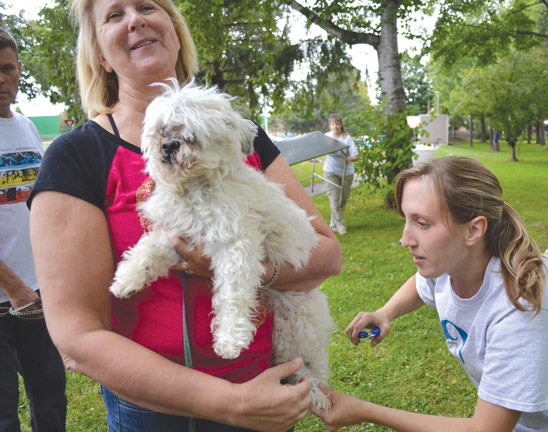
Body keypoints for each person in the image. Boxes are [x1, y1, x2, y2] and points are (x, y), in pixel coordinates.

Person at [27, 1, 341, 431]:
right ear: (99, 54)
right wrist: (230, 402)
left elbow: (326, 255)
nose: (135, 19)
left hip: (265, 390)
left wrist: (255, 272)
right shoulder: (75, 157)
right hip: (152, 412)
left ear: (175, 31)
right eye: (114, 15)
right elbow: (77, 338)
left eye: (146, 6)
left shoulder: (237, 136)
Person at [313, 157, 548, 432]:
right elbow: (424, 286)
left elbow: (484, 429)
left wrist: (364, 411)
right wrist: (386, 312)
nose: (405, 239)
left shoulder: (523, 310)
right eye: (406, 220)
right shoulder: (453, 262)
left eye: (422, 223)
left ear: (474, 230)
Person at [0, 27, 67, 432]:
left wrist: (41, 282)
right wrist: (13, 287)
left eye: (7, 68)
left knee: (50, 393)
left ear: (19, 70)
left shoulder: (25, 128)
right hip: (9, 295)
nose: (0, 79)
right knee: (4, 413)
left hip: (36, 292)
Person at [323, 114, 359, 235]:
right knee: (335, 199)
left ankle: (333, 223)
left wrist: (348, 159)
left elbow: (356, 156)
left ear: (341, 125)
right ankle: (340, 226)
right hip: (330, 171)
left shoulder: (347, 138)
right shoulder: (326, 137)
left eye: (337, 124)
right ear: (330, 125)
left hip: (346, 173)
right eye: (333, 124)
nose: (335, 126)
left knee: (342, 200)